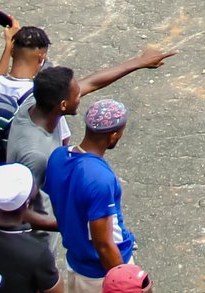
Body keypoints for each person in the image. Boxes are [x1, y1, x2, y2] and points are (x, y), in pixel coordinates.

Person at [43, 98, 138, 285]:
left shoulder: (58, 156)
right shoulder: (100, 179)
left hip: (76, 262)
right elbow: (103, 245)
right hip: (102, 272)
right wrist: (125, 283)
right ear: (114, 136)